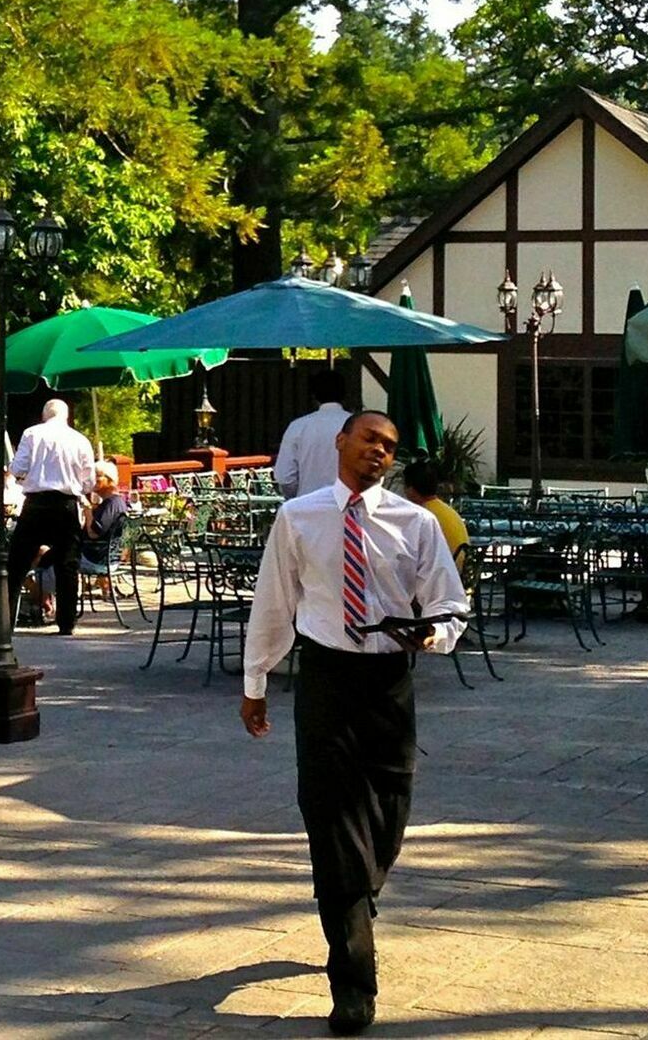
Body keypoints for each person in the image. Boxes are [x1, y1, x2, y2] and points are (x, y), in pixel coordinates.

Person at [242, 412, 467, 1037]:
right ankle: (352, 981)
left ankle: (359, 888)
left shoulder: (415, 523)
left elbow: (450, 603)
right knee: (330, 815)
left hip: (389, 678)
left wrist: (435, 632)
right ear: (341, 441)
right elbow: (274, 602)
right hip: (325, 679)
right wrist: (255, 682)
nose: (379, 451)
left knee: (389, 813)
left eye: (390, 446)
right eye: (369, 438)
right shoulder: (299, 517)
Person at [5, 398, 97, 636]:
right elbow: (89, 482)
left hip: (35, 504)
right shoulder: (80, 440)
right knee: (67, 565)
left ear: (45, 415)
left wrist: (30, 476)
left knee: (16, 564)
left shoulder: (32, 434)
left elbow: (17, 469)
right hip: (66, 505)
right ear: (66, 416)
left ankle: (4, 621)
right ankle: (66, 623)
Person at [274, 368, 354, 499]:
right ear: (345, 394)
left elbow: (285, 478)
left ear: (314, 395)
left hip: (308, 505)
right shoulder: (357, 426)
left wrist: (296, 498)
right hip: (350, 506)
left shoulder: (298, 426)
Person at [398, 458, 468, 557]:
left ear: (411, 489)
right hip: (456, 568)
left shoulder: (421, 516)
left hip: (440, 569)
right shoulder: (448, 512)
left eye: (404, 486)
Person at [78, 461, 130, 572]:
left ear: (110, 480)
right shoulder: (115, 502)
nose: (93, 479)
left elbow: (94, 533)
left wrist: (88, 511)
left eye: (97, 476)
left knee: (49, 555)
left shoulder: (111, 504)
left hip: (96, 559)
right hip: (108, 558)